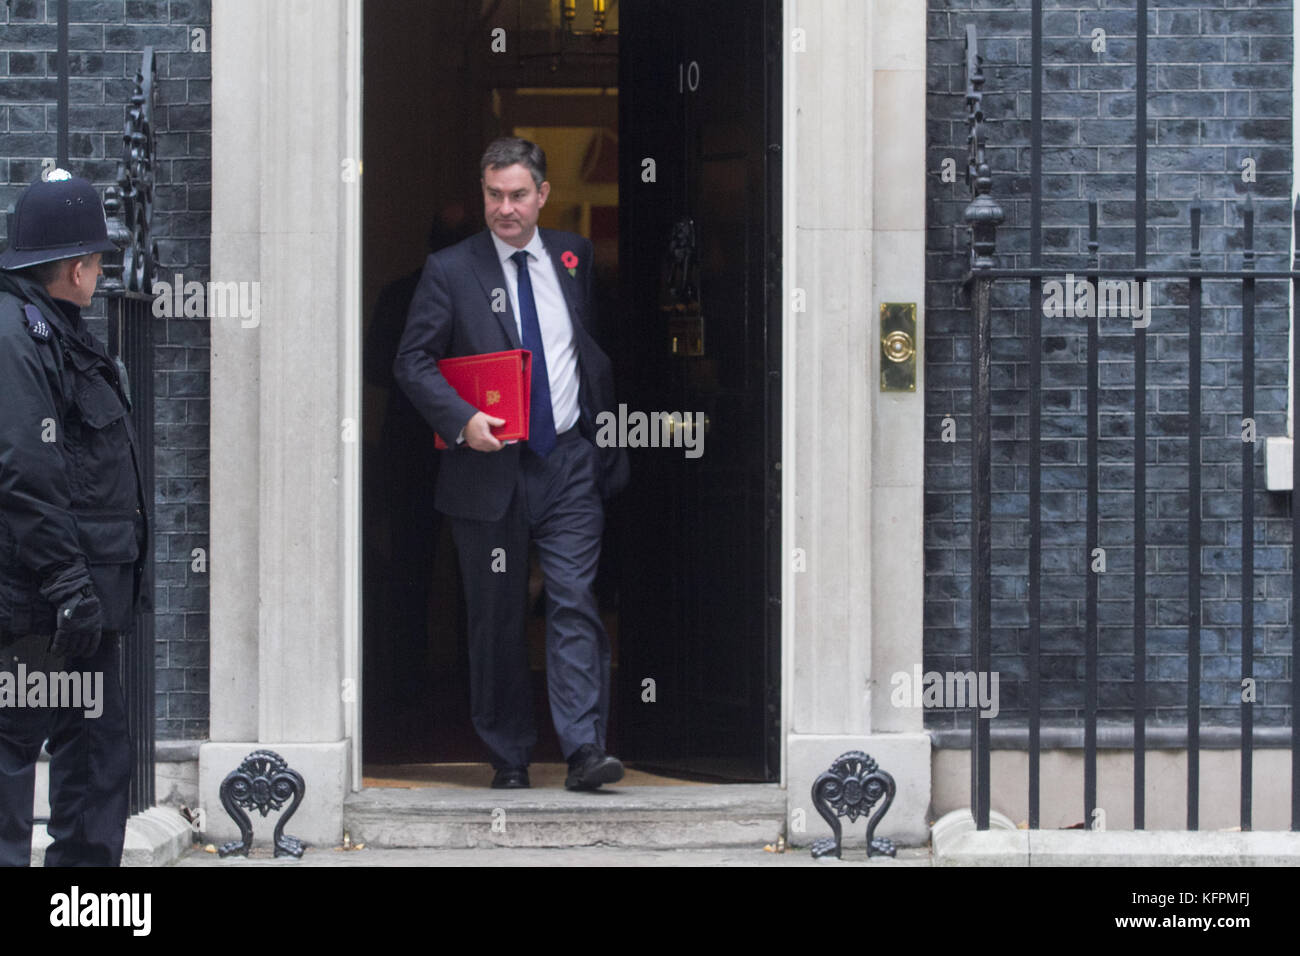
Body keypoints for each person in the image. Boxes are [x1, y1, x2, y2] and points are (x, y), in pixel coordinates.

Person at [395, 137, 629, 790]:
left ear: (543, 195)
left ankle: (584, 752)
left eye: (518, 195)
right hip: (486, 467)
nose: (506, 208)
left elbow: (589, 351)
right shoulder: (449, 270)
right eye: (494, 195)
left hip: (567, 461)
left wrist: (601, 434)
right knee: (496, 616)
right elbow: (411, 361)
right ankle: (510, 756)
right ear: (483, 194)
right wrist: (461, 421)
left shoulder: (572, 259)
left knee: (574, 599)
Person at [0, 169, 148, 865]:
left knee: (95, 778)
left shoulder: (64, 334)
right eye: (96, 259)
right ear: (77, 266)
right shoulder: (15, 338)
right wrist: (66, 585)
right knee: (12, 769)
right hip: (36, 609)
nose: (100, 270)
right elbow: (26, 473)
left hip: (82, 610)